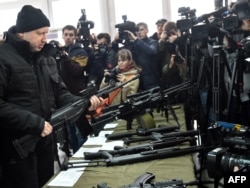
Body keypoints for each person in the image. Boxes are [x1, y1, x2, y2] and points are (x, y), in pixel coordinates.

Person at [0, 5, 102, 188]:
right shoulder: (3, 58)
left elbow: (59, 93)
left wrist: (83, 103)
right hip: (17, 148)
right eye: (40, 33)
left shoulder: (45, 57)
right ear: (22, 32)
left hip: (45, 143)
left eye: (46, 33)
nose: (44, 39)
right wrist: (34, 123)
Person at [60, 25, 90, 153]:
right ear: (62, 35)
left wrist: (65, 58)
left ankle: (82, 155)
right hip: (65, 95)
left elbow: (78, 71)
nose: (68, 37)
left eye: (71, 35)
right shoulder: (62, 51)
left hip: (78, 94)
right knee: (70, 130)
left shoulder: (80, 52)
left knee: (80, 131)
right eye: (66, 34)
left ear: (75, 36)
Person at [125, 22, 160, 91]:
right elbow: (125, 55)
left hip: (151, 80)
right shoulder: (134, 44)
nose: (139, 32)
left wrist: (136, 40)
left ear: (147, 30)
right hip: (138, 80)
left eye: (141, 30)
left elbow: (151, 51)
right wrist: (116, 41)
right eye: (137, 31)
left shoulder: (153, 42)